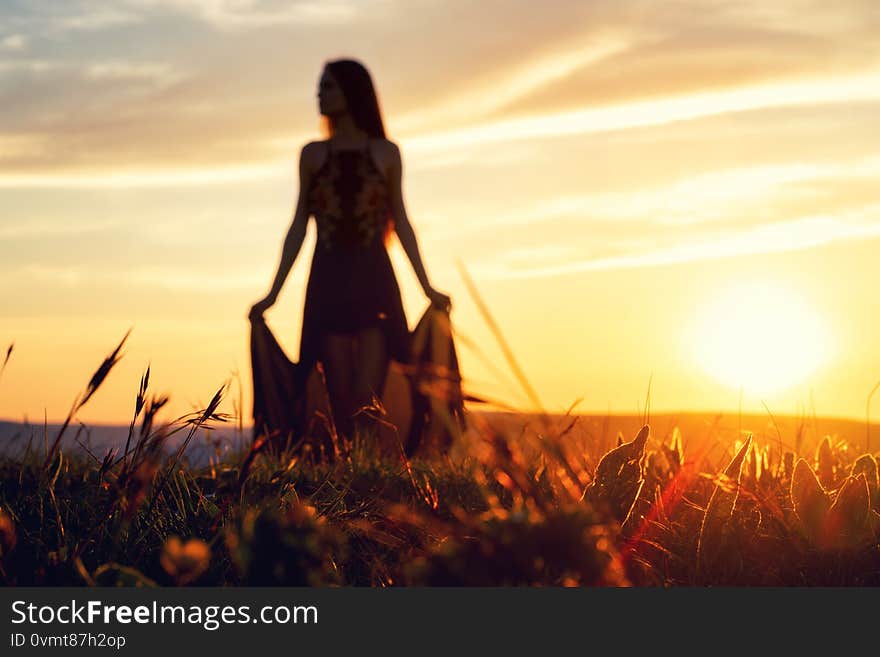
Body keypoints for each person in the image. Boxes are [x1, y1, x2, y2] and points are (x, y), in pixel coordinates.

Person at [248, 58, 452, 443]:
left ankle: (367, 479)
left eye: (328, 87)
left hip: (375, 279)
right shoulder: (311, 155)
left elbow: (403, 224)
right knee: (340, 401)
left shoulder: (386, 153)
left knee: (366, 400)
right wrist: (272, 295)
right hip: (328, 280)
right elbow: (297, 227)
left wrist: (427, 288)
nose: (319, 95)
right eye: (319, 88)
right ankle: (346, 480)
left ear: (352, 92)